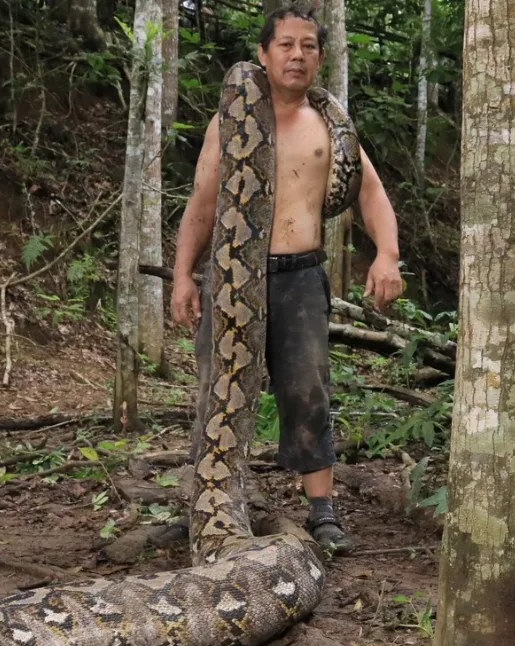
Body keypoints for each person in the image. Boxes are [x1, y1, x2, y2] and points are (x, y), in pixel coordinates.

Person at [170, 4, 403, 553]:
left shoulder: (330, 127)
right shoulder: (228, 121)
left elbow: (371, 194)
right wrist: (183, 274)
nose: (297, 55)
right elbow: (203, 202)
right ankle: (207, 507)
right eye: (285, 45)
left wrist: (387, 253)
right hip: (230, 274)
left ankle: (321, 511)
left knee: (307, 391)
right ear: (263, 54)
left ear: (320, 57)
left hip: (298, 275)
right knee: (216, 390)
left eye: (308, 46)